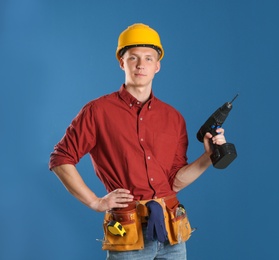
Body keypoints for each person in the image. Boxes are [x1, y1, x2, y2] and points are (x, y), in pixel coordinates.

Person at [49, 23, 227, 260]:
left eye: (148, 58)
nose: (141, 64)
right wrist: (95, 202)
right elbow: (61, 158)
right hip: (128, 233)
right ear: (122, 63)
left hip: (172, 232)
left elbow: (174, 182)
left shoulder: (173, 118)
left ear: (158, 66)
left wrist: (208, 156)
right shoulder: (97, 111)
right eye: (133, 58)